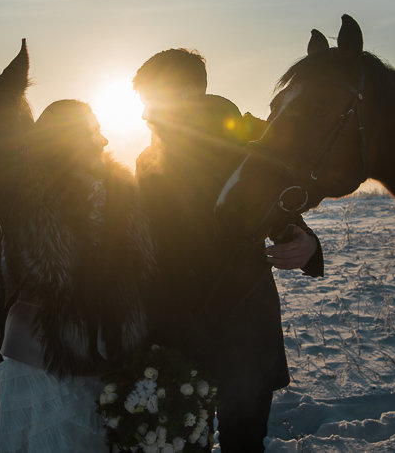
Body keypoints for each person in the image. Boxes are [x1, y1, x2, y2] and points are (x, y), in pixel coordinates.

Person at [132, 49, 323, 452]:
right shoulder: (146, 159)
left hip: (243, 329)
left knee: (244, 442)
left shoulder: (246, 148)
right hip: (174, 332)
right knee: (183, 443)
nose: (145, 112)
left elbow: (281, 213)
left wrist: (305, 242)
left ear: (186, 95)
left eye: (152, 98)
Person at [0, 100, 155, 452]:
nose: (104, 142)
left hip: (113, 351)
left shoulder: (124, 191)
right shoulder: (28, 198)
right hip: (45, 356)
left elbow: (142, 265)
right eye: (93, 133)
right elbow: (30, 271)